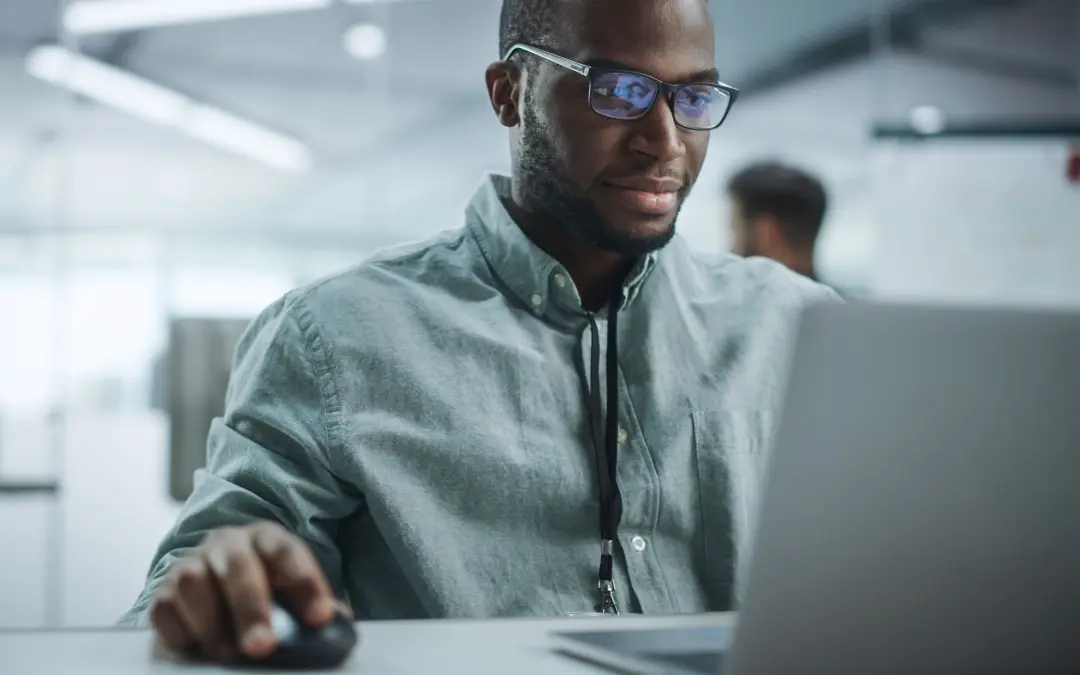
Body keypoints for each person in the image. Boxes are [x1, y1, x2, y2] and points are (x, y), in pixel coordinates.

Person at [123, 0, 837, 663]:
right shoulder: (334, 337)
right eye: (617, 91)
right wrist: (224, 579)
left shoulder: (799, 328)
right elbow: (182, 591)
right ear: (509, 93)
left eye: (694, 98)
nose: (665, 140)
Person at [725, 160, 828, 282]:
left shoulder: (737, 298)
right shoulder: (841, 300)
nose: (730, 251)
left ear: (766, 234)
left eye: (735, 233)